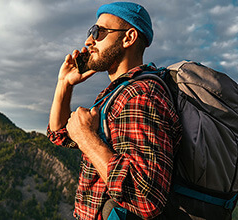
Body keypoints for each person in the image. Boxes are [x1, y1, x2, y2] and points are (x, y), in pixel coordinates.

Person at [47, 2, 181, 219]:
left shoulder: (140, 96)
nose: (89, 40)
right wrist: (64, 84)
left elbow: (146, 199)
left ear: (128, 38)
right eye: (91, 31)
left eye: (98, 32)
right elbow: (60, 135)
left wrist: (87, 138)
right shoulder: (118, 93)